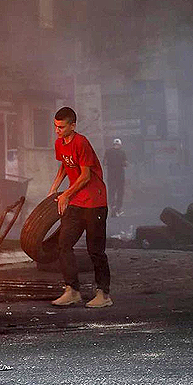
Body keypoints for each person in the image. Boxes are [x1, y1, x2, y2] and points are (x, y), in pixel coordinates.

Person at [48, 107, 113, 307]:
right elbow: (65, 165)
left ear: (73, 126)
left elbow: (85, 176)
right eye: (55, 126)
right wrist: (55, 188)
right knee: (64, 244)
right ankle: (72, 290)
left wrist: (65, 195)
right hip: (76, 202)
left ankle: (103, 295)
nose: (57, 130)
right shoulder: (60, 143)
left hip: (95, 202)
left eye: (61, 127)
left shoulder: (81, 142)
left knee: (95, 251)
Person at [103, 138, 128, 217]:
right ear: (120, 145)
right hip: (120, 176)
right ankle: (118, 208)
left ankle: (112, 206)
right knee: (120, 192)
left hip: (111, 176)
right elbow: (125, 163)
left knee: (111, 192)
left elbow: (104, 162)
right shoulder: (122, 152)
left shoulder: (108, 152)